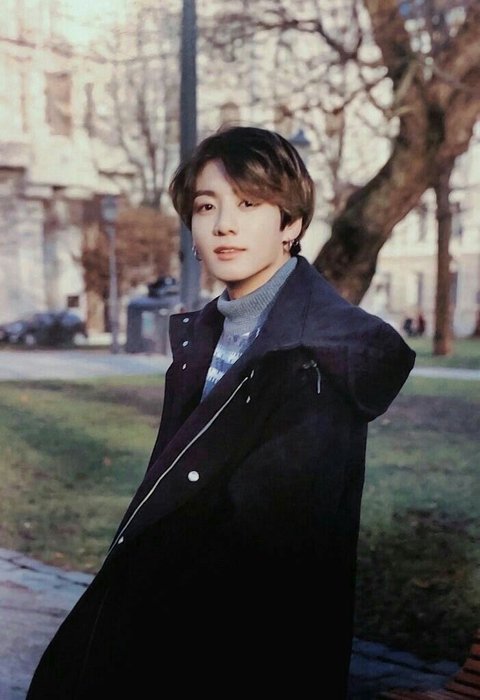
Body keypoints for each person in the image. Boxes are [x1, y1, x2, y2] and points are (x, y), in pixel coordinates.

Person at [27, 126, 415, 699]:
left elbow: (276, 549)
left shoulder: (314, 355)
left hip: (240, 649)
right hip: (170, 619)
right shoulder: (206, 333)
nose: (224, 225)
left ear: (291, 224)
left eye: (249, 204)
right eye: (207, 206)